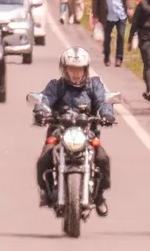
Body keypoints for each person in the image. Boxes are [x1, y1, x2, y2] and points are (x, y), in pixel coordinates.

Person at [33, 47, 115, 215]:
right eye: (72, 69)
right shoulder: (56, 86)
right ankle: (45, 192)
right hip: (59, 131)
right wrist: (41, 111)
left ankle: (99, 196)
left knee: (103, 159)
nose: (76, 74)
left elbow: (103, 101)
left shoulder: (94, 85)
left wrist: (106, 114)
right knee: (44, 158)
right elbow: (45, 99)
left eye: (79, 69)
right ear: (65, 69)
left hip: (87, 132)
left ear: (85, 70)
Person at [92, 0, 132, 67]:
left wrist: (129, 7)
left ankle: (119, 58)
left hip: (120, 15)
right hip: (107, 16)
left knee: (121, 36)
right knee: (107, 38)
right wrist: (95, 15)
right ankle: (106, 57)